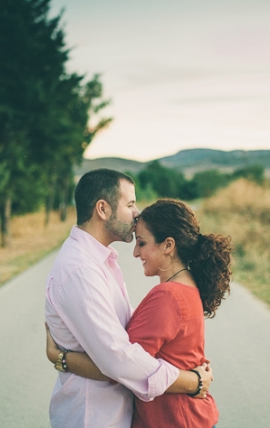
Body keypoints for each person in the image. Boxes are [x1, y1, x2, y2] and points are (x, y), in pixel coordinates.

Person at [45, 169, 213, 428]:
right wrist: (192, 381)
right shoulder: (81, 270)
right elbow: (118, 360)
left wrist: (62, 358)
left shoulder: (102, 262)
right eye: (130, 204)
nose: (137, 213)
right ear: (103, 209)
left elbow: (132, 338)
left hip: (113, 414)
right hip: (94, 417)